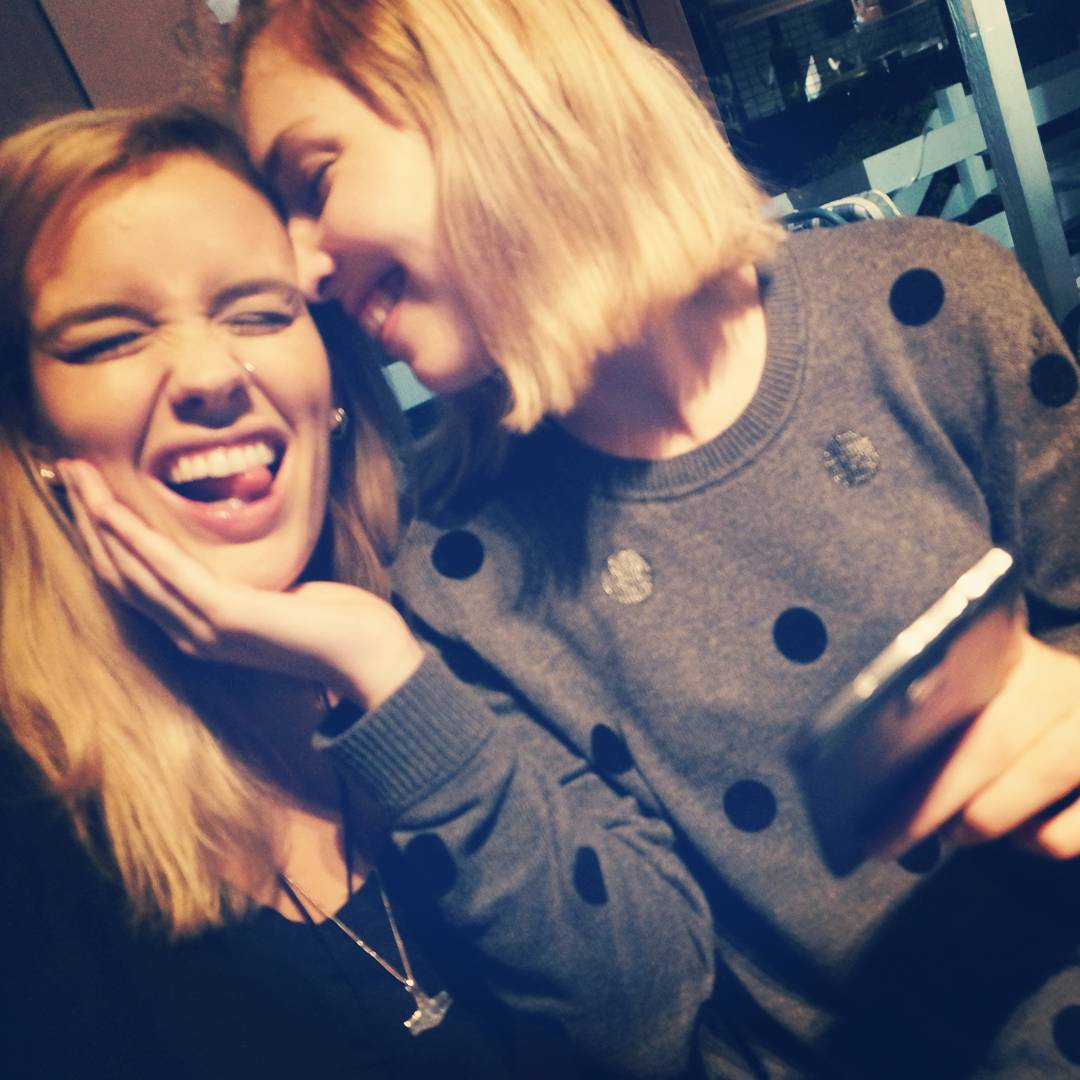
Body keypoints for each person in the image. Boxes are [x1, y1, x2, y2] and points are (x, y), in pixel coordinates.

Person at [58, 0, 1080, 1076]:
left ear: (484, 95)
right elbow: (637, 1015)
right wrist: (381, 668)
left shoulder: (930, 302)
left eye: (314, 182)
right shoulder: (450, 573)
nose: (304, 271)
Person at [0, 104, 613, 1079]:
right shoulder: (29, 834)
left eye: (258, 312)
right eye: (111, 338)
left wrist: (384, 669)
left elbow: (648, 1016)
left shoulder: (469, 633)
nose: (211, 374)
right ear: (30, 430)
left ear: (328, 381)